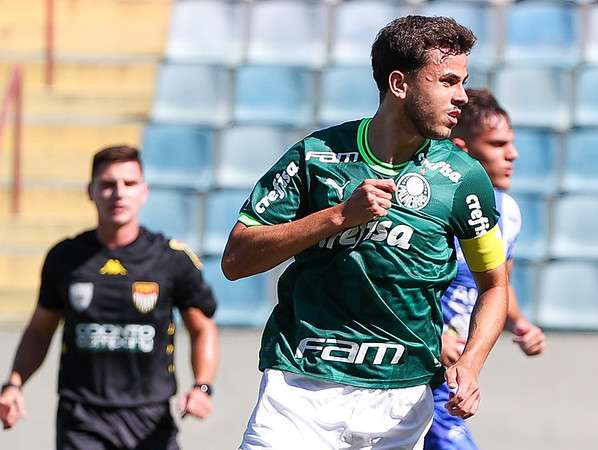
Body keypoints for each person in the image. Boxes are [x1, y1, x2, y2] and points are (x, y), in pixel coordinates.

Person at [224, 15, 509, 450]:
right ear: (400, 84)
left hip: (402, 399)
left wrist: (471, 363)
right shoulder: (315, 157)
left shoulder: (463, 177)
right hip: (302, 388)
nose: (462, 97)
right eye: (447, 82)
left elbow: (495, 285)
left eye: (463, 82)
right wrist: (338, 216)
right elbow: (236, 258)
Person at [0, 145, 220, 450]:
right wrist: (13, 384)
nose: (118, 193)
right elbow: (39, 330)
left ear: (144, 191)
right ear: (90, 191)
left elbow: (202, 328)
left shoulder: (171, 259)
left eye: (129, 184)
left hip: (150, 418)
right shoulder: (65, 257)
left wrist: (203, 386)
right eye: (107, 184)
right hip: (82, 418)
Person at [424, 89, 546, 450]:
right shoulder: (431, 205)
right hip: (408, 367)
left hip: (450, 378)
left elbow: (496, 285)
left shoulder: (506, 212)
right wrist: (435, 336)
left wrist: (519, 323)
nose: (513, 154)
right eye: (497, 144)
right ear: (463, 149)